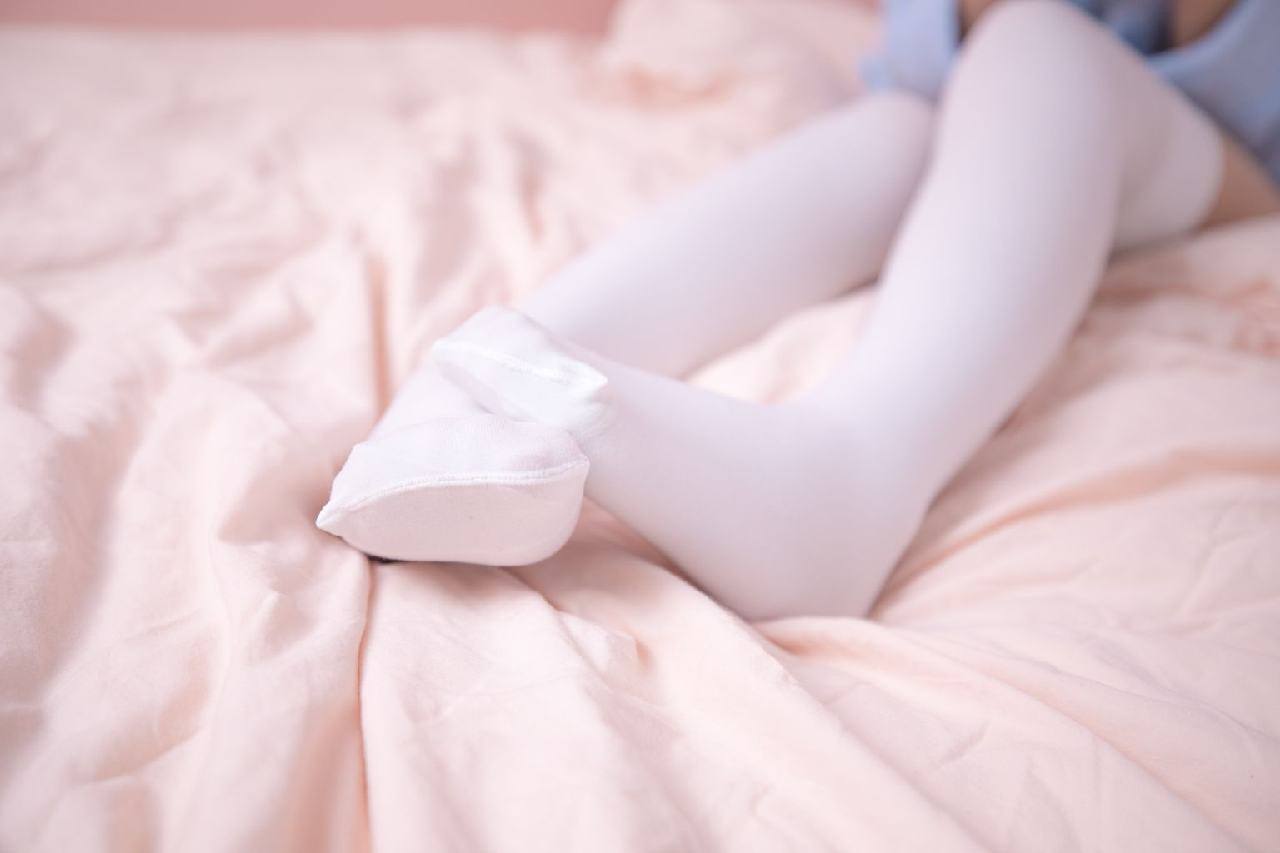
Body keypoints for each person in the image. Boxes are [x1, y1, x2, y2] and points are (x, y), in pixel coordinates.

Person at [318, 0, 1280, 621]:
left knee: (1042, 45)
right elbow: (924, 67)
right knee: (899, 127)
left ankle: (851, 473)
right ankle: (467, 394)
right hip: (995, 116)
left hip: (1222, 174)